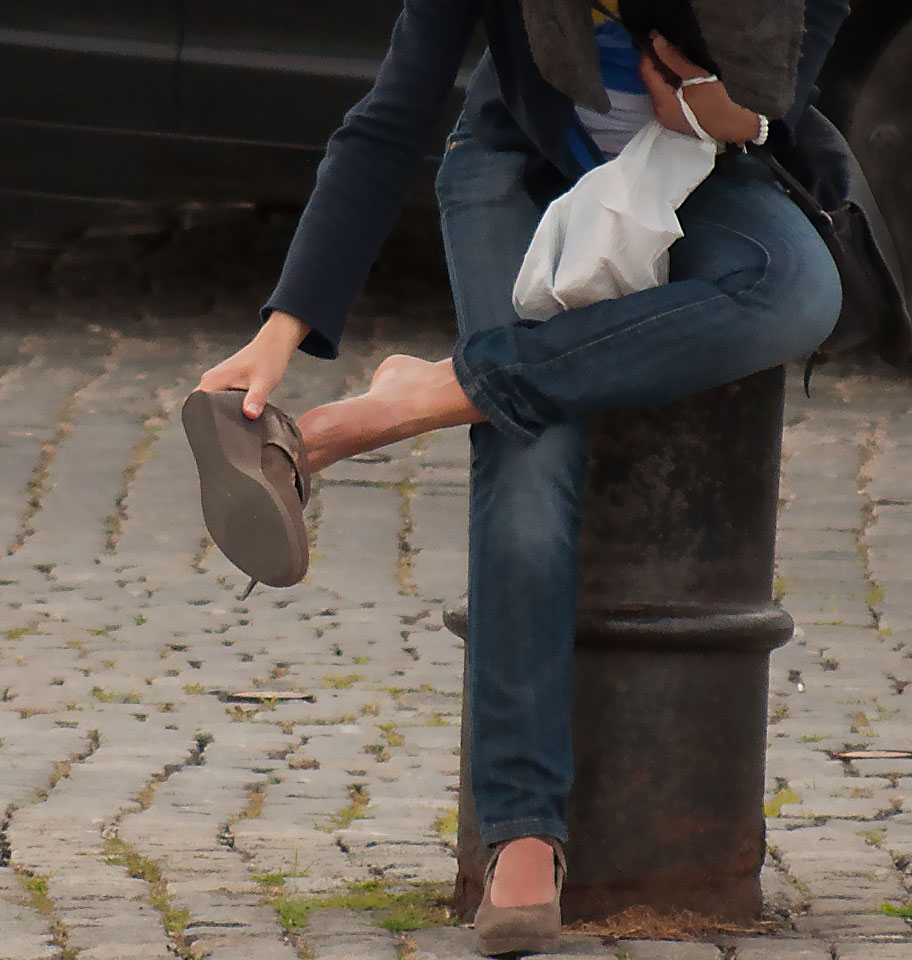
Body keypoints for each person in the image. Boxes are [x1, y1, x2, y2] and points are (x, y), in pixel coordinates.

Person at [189, 0, 852, 953]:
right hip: (522, 169)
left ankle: (403, 403)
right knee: (530, 459)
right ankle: (522, 831)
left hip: (702, 166)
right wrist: (278, 331)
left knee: (794, 290)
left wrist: (752, 117)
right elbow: (393, 112)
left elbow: (809, 28)